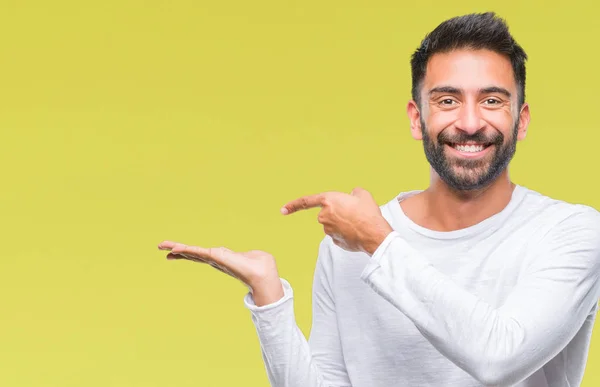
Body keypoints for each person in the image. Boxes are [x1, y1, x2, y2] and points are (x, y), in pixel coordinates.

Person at [158, 12, 600, 387]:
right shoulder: (350, 244)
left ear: (520, 121)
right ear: (416, 117)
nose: (469, 122)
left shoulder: (571, 233)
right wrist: (269, 297)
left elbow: (500, 357)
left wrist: (376, 240)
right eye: (447, 100)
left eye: (491, 100)